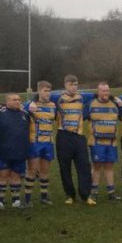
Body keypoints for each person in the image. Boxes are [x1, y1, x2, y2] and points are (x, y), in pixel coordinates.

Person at [49, 74, 96, 205]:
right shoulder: (57, 97)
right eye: (71, 84)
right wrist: (32, 102)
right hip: (63, 136)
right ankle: (70, 195)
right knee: (65, 167)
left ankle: (86, 195)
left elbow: (99, 95)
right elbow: (41, 95)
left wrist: (114, 98)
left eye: (75, 84)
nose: (74, 87)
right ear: (65, 85)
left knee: (84, 166)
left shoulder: (83, 96)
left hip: (79, 137)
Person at [0, 92, 32, 209]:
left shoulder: (25, 114)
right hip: (3, 152)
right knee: (2, 175)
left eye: (19, 99)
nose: (18, 101)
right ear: (7, 102)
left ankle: (16, 201)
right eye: (14, 99)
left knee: (16, 176)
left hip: (20, 151)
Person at [85, 82, 122, 202]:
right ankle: (94, 192)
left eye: (107, 90)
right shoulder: (91, 104)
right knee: (97, 166)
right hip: (96, 142)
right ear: (98, 92)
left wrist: (121, 106)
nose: (106, 93)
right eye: (103, 91)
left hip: (111, 142)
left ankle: (111, 193)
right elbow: (81, 117)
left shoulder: (114, 104)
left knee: (109, 166)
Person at [24, 80, 57, 205]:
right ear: (39, 91)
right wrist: (31, 101)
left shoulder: (53, 105)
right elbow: (22, 109)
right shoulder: (30, 105)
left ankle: (44, 197)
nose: (48, 93)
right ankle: (27, 199)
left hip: (48, 142)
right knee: (32, 170)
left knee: (45, 171)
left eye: (49, 91)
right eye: (45, 90)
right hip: (35, 143)